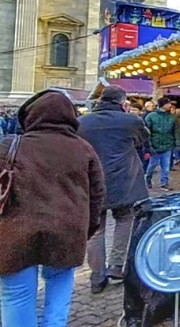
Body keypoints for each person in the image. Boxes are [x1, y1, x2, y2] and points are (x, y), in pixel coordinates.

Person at [0, 90, 105, 327]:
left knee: (16, 296)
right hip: (66, 232)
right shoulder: (83, 148)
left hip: (15, 234)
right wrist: (86, 230)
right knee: (58, 297)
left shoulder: (10, 145)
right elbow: (97, 196)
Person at [77, 86, 149, 294]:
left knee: (96, 229)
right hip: (124, 180)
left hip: (92, 180)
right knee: (125, 220)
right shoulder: (130, 121)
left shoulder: (82, 122)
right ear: (122, 102)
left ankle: (97, 276)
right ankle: (116, 266)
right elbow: (143, 139)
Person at [144, 97, 180, 191]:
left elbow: (176, 131)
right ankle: (147, 178)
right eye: (168, 103)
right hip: (155, 145)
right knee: (152, 164)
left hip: (168, 144)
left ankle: (164, 183)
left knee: (166, 166)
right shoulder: (151, 116)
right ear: (163, 105)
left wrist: (177, 143)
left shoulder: (173, 117)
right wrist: (148, 145)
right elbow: (147, 132)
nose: (170, 105)